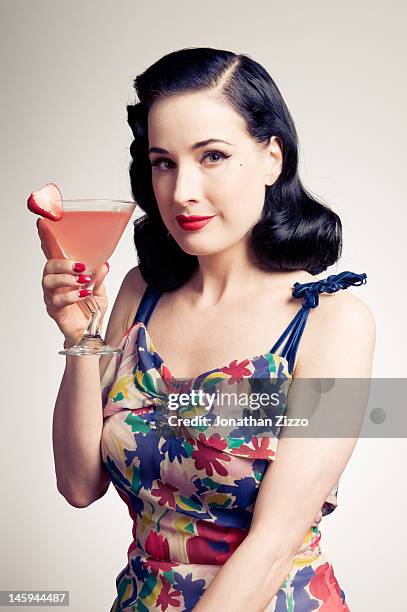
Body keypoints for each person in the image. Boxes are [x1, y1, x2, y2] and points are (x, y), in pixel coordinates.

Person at [38, 48, 375, 611]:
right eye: (163, 162)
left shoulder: (337, 323)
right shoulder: (137, 293)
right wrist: (79, 337)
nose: (182, 191)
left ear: (272, 158)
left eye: (212, 156)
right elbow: (78, 486)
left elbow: (274, 543)